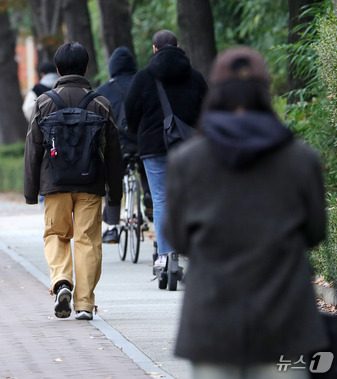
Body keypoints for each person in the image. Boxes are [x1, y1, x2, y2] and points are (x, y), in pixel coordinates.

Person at [164, 46, 329, 378]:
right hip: (284, 320)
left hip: (212, 320)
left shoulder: (187, 161)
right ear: (264, 92)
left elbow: (177, 237)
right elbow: (315, 232)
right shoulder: (300, 159)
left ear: (216, 92)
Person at [24, 42, 122, 321]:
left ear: (57, 70)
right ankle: (84, 305)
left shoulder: (43, 103)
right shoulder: (101, 103)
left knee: (56, 235)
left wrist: (31, 192)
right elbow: (113, 152)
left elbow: (33, 149)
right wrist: (114, 193)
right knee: (87, 240)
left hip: (54, 184)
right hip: (90, 184)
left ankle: (62, 281)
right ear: (86, 68)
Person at [125, 30, 207, 267]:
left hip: (154, 147)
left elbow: (131, 112)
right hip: (189, 148)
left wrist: (136, 132)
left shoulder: (143, 77)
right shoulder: (196, 77)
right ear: (178, 46)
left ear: (154, 50)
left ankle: (165, 256)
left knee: (161, 200)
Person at [96, 46, 153, 244]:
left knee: (112, 180)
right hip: (144, 142)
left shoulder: (103, 90)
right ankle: (149, 199)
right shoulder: (145, 83)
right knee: (149, 167)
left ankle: (112, 227)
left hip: (117, 146)